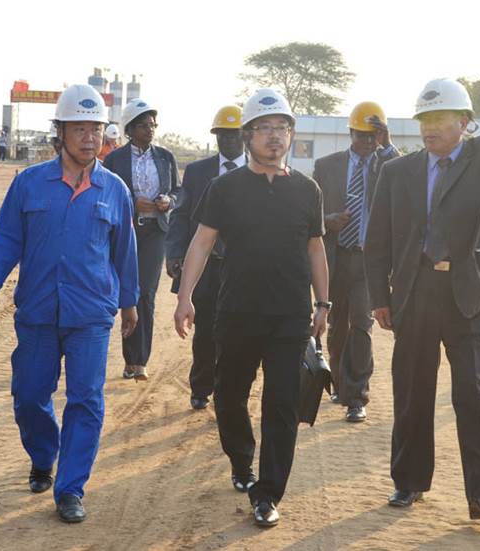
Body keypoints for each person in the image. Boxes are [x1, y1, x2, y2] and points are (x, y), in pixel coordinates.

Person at [364, 77, 480, 519]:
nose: (430, 128)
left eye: (440, 119)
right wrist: (380, 297)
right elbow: (377, 245)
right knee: (412, 390)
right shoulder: (397, 172)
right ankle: (408, 482)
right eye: (424, 120)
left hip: (466, 293)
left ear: (465, 123)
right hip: (414, 292)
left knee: (472, 390)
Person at [0, 84, 139, 523]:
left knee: (86, 399)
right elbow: (7, 235)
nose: (89, 137)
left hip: (91, 315)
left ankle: (70, 488)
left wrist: (130, 302)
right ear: (60, 132)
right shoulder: (29, 184)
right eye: (79, 128)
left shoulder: (114, 189)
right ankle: (44, 454)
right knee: (29, 395)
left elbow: (125, 251)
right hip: (39, 310)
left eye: (96, 129)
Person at [174, 88, 329, 528]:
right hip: (237, 312)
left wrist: (324, 303)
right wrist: (185, 297)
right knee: (229, 396)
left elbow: (316, 249)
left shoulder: (307, 190)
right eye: (264, 128)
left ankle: (267, 493)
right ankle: (241, 461)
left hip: (290, 316)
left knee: (282, 406)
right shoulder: (224, 188)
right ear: (247, 137)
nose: (274, 137)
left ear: (291, 134)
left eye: (281, 128)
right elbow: (202, 243)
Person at [313, 101, 399, 422]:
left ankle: (357, 396)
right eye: (362, 135)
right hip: (335, 257)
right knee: (338, 327)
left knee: (362, 323)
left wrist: (388, 145)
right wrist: (327, 220)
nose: (367, 142)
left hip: (368, 260)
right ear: (350, 132)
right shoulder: (326, 166)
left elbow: (408, 179)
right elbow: (311, 216)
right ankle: (339, 383)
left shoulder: (387, 167)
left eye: (373, 136)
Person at [166, 104, 245, 410]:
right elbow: (181, 215)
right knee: (206, 330)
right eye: (222, 135)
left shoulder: (260, 170)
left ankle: (231, 387)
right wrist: (175, 254)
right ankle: (201, 387)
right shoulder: (198, 173)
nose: (228, 141)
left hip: (245, 268)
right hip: (207, 266)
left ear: (245, 135)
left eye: (234, 134)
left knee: (239, 331)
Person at [104, 98, 179, 381]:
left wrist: (167, 200)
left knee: (145, 293)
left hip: (155, 233)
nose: (151, 130)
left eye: (153, 125)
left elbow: (179, 191)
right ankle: (125, 357)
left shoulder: (165, 157)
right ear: (130, 128)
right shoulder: (114, 160)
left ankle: (139, 361)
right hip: (125, 231)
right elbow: (107, 192)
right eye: (145, 125)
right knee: (125, 291)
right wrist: (131, 203)